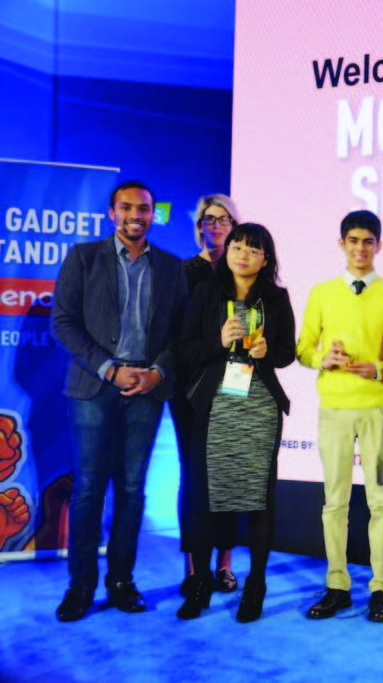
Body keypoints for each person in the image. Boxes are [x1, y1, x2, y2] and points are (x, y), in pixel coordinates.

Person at [51, 180, 187, 621]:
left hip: (146, 390)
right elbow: (63, 323)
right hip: (95, 387)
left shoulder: (170, 267)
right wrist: (109, 367)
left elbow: (180, 334)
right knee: (89, 488)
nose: (136, 214)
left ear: (154, 214)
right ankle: (81, 586)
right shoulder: (83, 258)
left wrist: (157, 373)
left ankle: (122, 581)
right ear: (111, 213)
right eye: (127, 207)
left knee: (132, 490)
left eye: (144, 208)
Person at [175, 223, 295, 622]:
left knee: (259, 497)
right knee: (203, 497)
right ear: (226, 252)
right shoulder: (208, 292)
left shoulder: (276, 298)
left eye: (252, 249)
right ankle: (199, 583)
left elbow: (287, 353)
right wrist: (219, 341)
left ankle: (255, 585)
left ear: (266, 258)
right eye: (236, 246)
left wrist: (266, 349)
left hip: (258, 406)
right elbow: (186, 350)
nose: (242, 254)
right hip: (214, 404)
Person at [297, 210, 383, 623]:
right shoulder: (322, 292)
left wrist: (377, 368)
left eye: (368, 240)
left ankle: (380, 589)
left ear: (379, 244)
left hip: (375, 406)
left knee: (380, 502)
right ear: (341, 243)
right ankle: (337, 584)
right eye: (353, 240)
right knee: (334, 503)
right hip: (334, 408)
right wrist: (325, 358)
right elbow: (303, 349)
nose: (360, 247)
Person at [170, 194, 241, 596]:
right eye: (207, 219)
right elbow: (176, 337)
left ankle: (225, 566)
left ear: (234, 226)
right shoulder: (182, 272)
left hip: (234, 386)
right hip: (189, 390)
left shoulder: (242, 273)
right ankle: (194, 567)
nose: (214, 225)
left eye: (222, 219)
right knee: (194, 477)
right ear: (198, 225)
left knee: (228, 476)